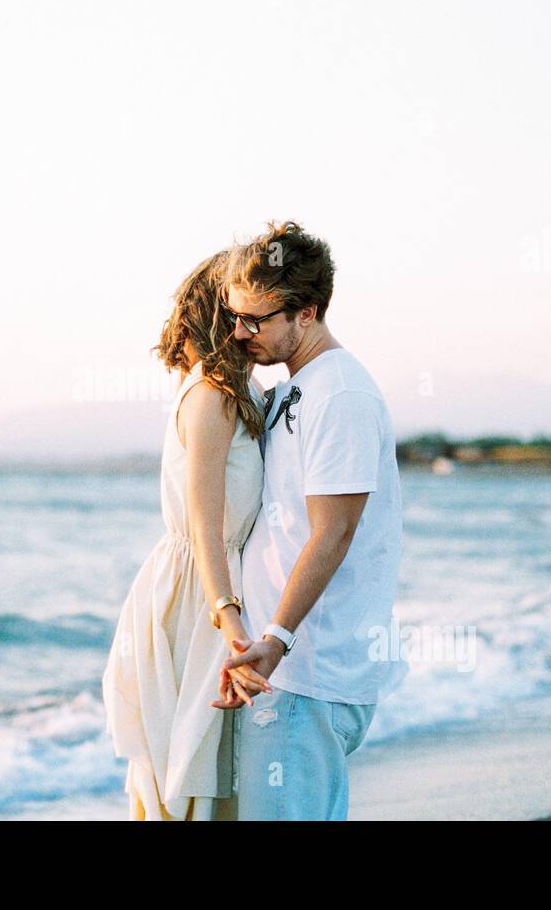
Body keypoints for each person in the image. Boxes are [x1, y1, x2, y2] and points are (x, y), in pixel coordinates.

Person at [212, 220, 408, 820]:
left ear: (309, 312)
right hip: (289, 672)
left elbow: (334, 532)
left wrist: (277, 640)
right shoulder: (299, 387)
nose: (241, 332)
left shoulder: (339, 393)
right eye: (234, 316)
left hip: (308, 672)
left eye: (256, 319)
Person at [101, 250, 270, 820]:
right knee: (194, 764)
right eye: (246, 309)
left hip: (201, 583)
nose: (258, 320)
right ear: (223, 314)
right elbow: (204, 521)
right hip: (200, 592)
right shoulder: (214, 394)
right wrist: (231, 619)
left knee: (201, 763)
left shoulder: (220, 389)